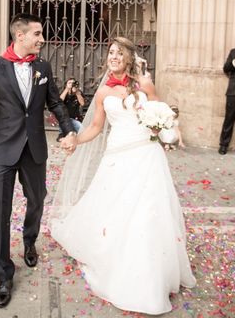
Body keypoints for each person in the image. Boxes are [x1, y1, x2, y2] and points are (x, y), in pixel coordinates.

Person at [52, 37, 196, 316]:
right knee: (115, 211)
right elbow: (95, 127)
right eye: (111, 52)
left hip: (147, 156)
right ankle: (116, 260)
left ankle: (150, 274)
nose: (113, 56)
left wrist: (165, 130)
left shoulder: (145, 85)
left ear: (129, 58)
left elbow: (160, 114)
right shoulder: (104, 92)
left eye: (119, 53)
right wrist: (76, 140)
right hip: (117, 158)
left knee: (148, 212)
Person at [0, 13, 76, 308]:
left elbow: (54, 101)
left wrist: (69, 130)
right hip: (2, 150)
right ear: (20, 36)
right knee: (0, 213)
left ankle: (30, 239)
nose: (42, 39)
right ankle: (4, 274)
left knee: (37, 199)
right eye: (38, 34)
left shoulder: (42, 66)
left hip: (34, 148)